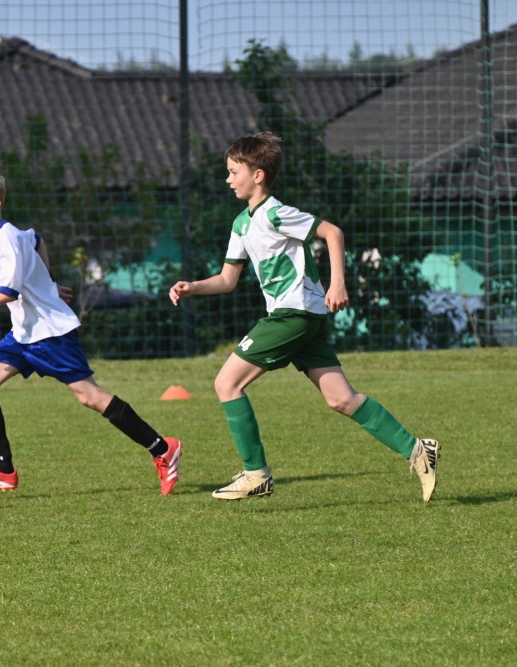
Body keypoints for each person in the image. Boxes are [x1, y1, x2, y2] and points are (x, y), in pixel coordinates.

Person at [168, 131, 440, 502]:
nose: (228, 179)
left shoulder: (277, 213)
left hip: (292, 314)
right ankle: (418, 449)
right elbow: (227, 280)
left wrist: (337, 283)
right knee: (341, 399)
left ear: (258, 175)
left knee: (227, 383)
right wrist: (193, 287)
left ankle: (256, 473)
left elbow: (332, 232)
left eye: (234, 172)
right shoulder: (241, 224)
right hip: (304, 318)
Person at [0, 159, 182, 495]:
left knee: (90, 397)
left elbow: (8, 291)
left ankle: (163, 448)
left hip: (50, 334)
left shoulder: (6, 238)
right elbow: (37, 240)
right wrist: (48, 283)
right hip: (24, 333)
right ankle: (3, 470)